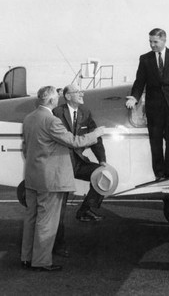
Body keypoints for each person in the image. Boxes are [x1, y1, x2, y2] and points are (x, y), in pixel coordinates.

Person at [21, 86, 104, 272]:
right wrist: (95, 134)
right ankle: (41, 262)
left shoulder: (29, 118)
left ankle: (26, 257)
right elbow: (75, 142)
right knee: (47, 222)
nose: (58, 99)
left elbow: (26, 148)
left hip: (33, 177)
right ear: (51, 101)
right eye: (56, 97)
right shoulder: (52, 121)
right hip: (50, 180)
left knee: (31, 219)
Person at [126, 28, 169, 180]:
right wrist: (134, 97)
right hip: (154, 107)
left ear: (164, 40)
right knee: (155, 142)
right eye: (150, 42)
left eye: (155, 42)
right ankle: (159, 174)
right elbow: (139, 81)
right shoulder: (145, 59)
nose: (152, 45)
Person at [52, 84, 107, 257]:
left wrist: (102, 160)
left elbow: (96, 138)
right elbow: (66, 140)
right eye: (78, 92)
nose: (82, 94)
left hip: (77, 162)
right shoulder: (56, 113)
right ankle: (57, 245)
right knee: (59, 209)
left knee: (103, 176)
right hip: (61, 164)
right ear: (67, 96)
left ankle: (85, 209)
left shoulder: (85, 113)